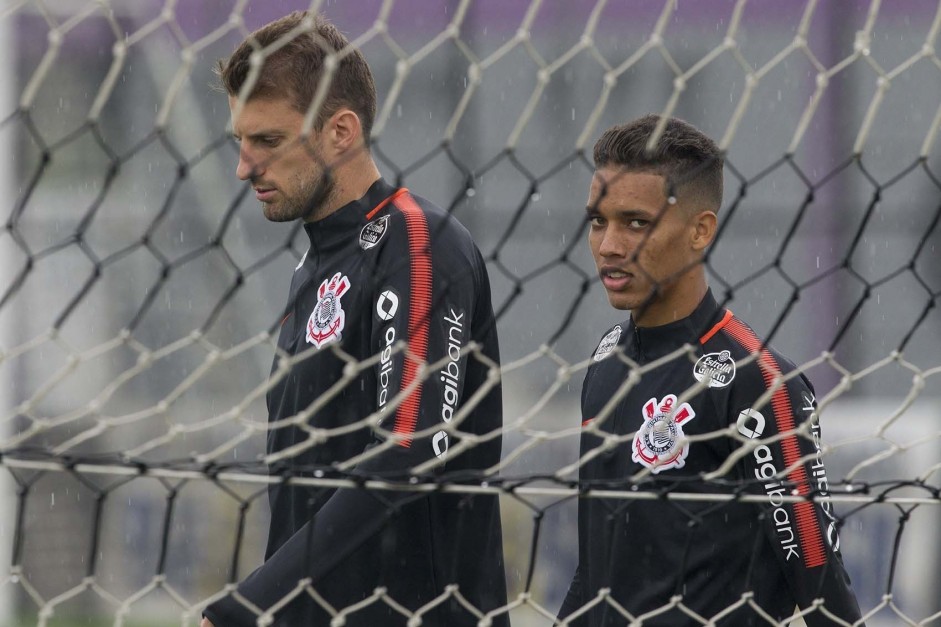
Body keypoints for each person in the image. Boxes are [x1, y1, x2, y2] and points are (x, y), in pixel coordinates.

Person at [201, 11, 509, 627]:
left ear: (340, 131)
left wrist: (252, 602)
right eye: (240, 140)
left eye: (267, 141)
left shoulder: (418, 244)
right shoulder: (311, 269)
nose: (244, 167)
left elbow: (409, 452)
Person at [557, 115, 863, 626]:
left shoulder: (760, 383)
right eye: (597, 220)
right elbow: (593, 575)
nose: (609, 245)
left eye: (636, 222)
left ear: (700, 230)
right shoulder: (606, 362)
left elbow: (822, 588)